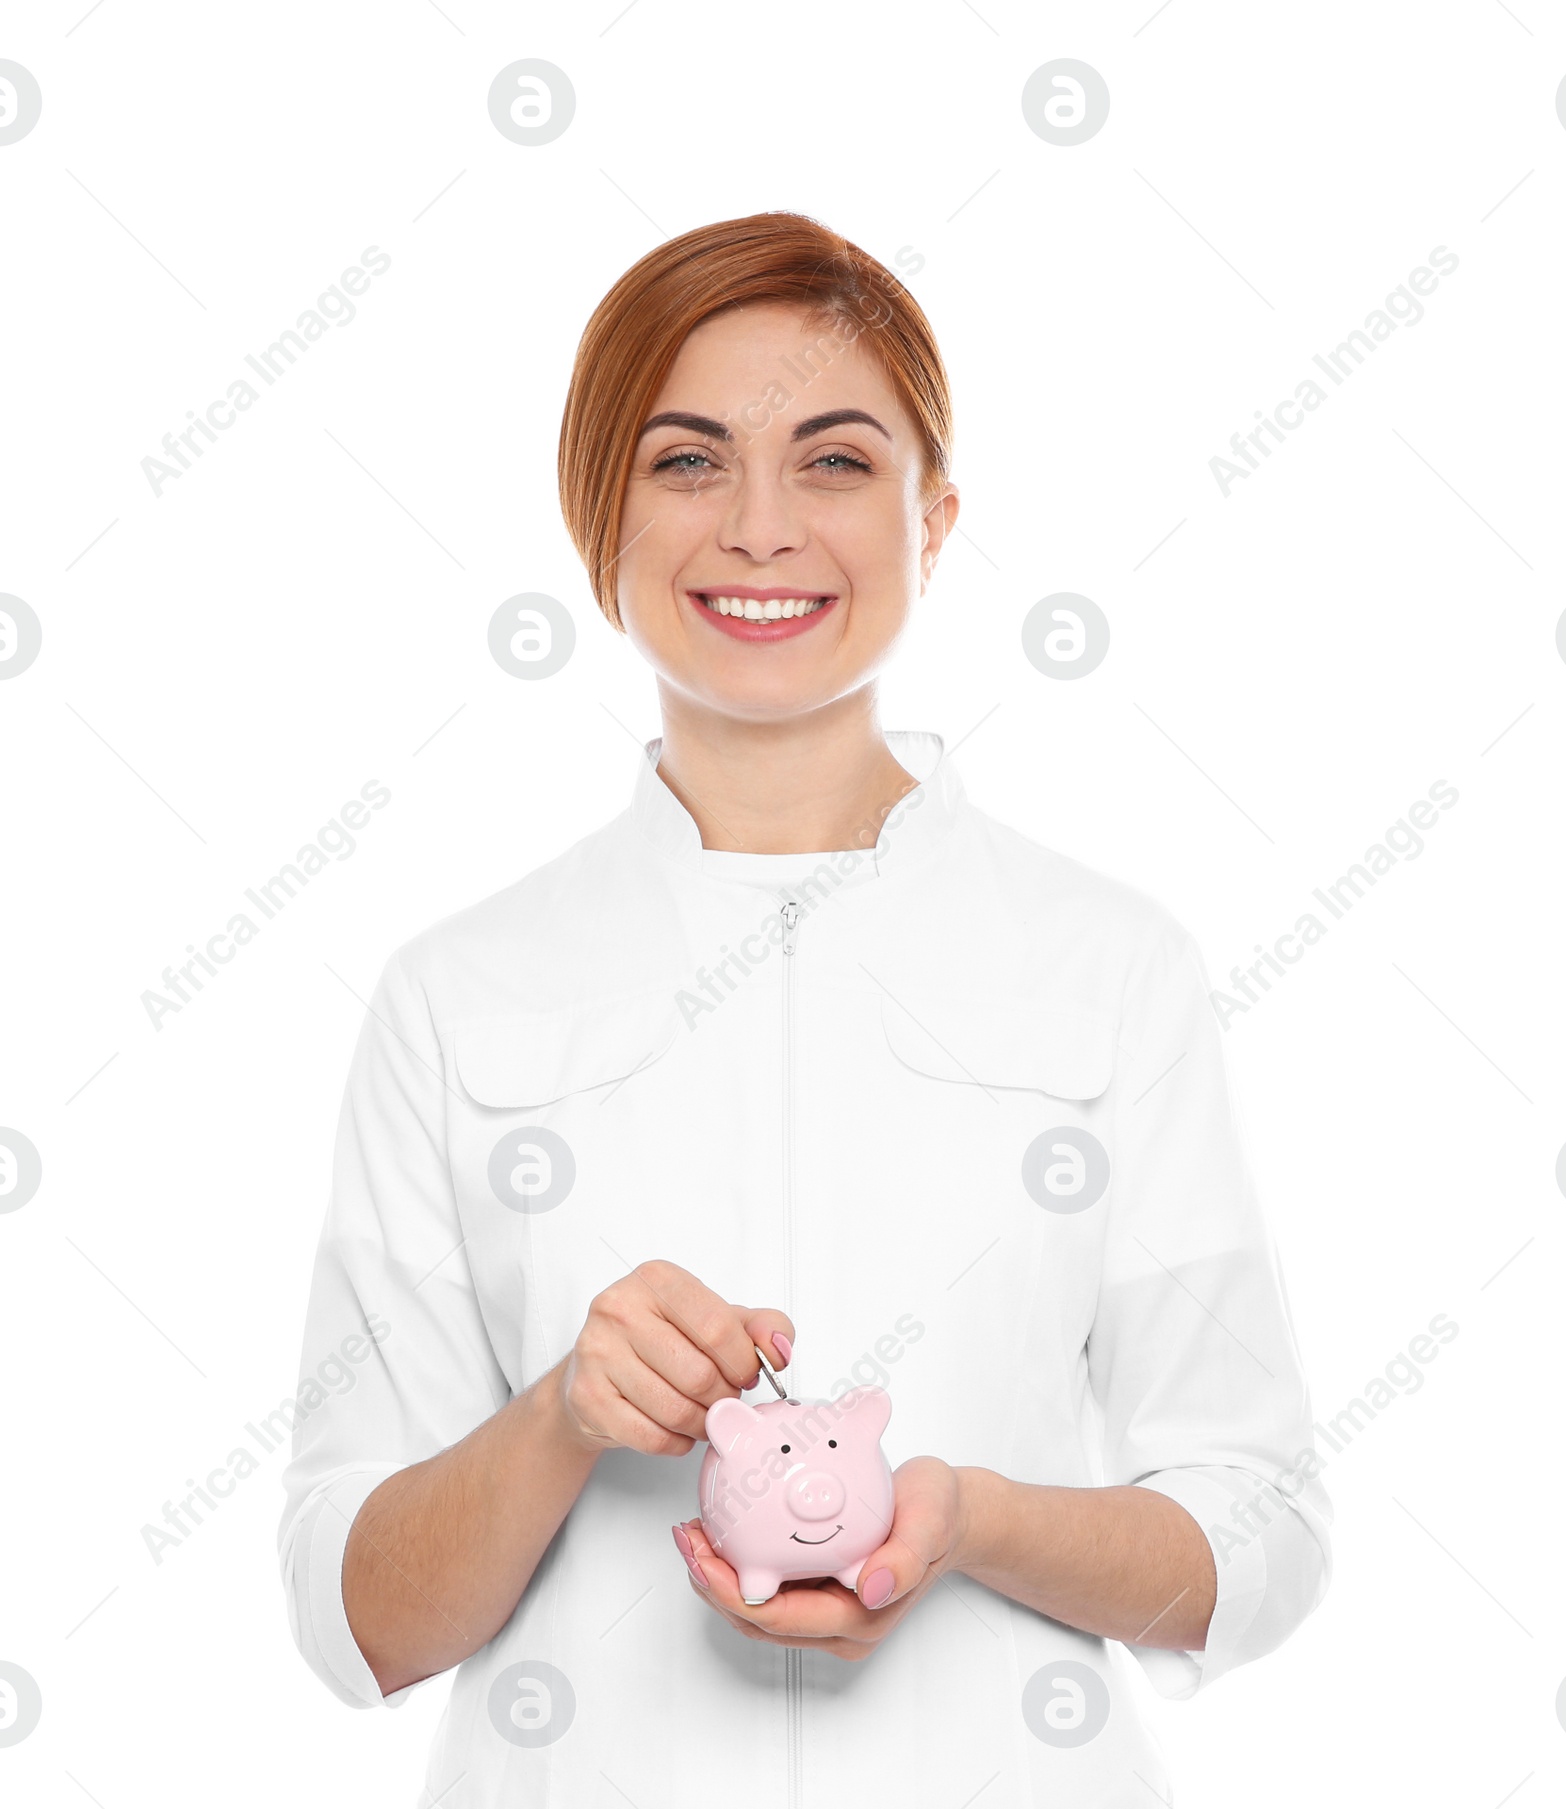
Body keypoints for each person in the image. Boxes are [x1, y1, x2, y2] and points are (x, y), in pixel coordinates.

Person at [277, 210, 1332, 1807]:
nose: (760, 527)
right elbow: (352, 1615)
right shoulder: (456, 994)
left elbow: (1258, 1532)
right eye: (687, 461)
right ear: (597, 518)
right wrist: (565, 1413)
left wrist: (968, 1516)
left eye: (835, 462)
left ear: (936, 519)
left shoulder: (1111, 965)